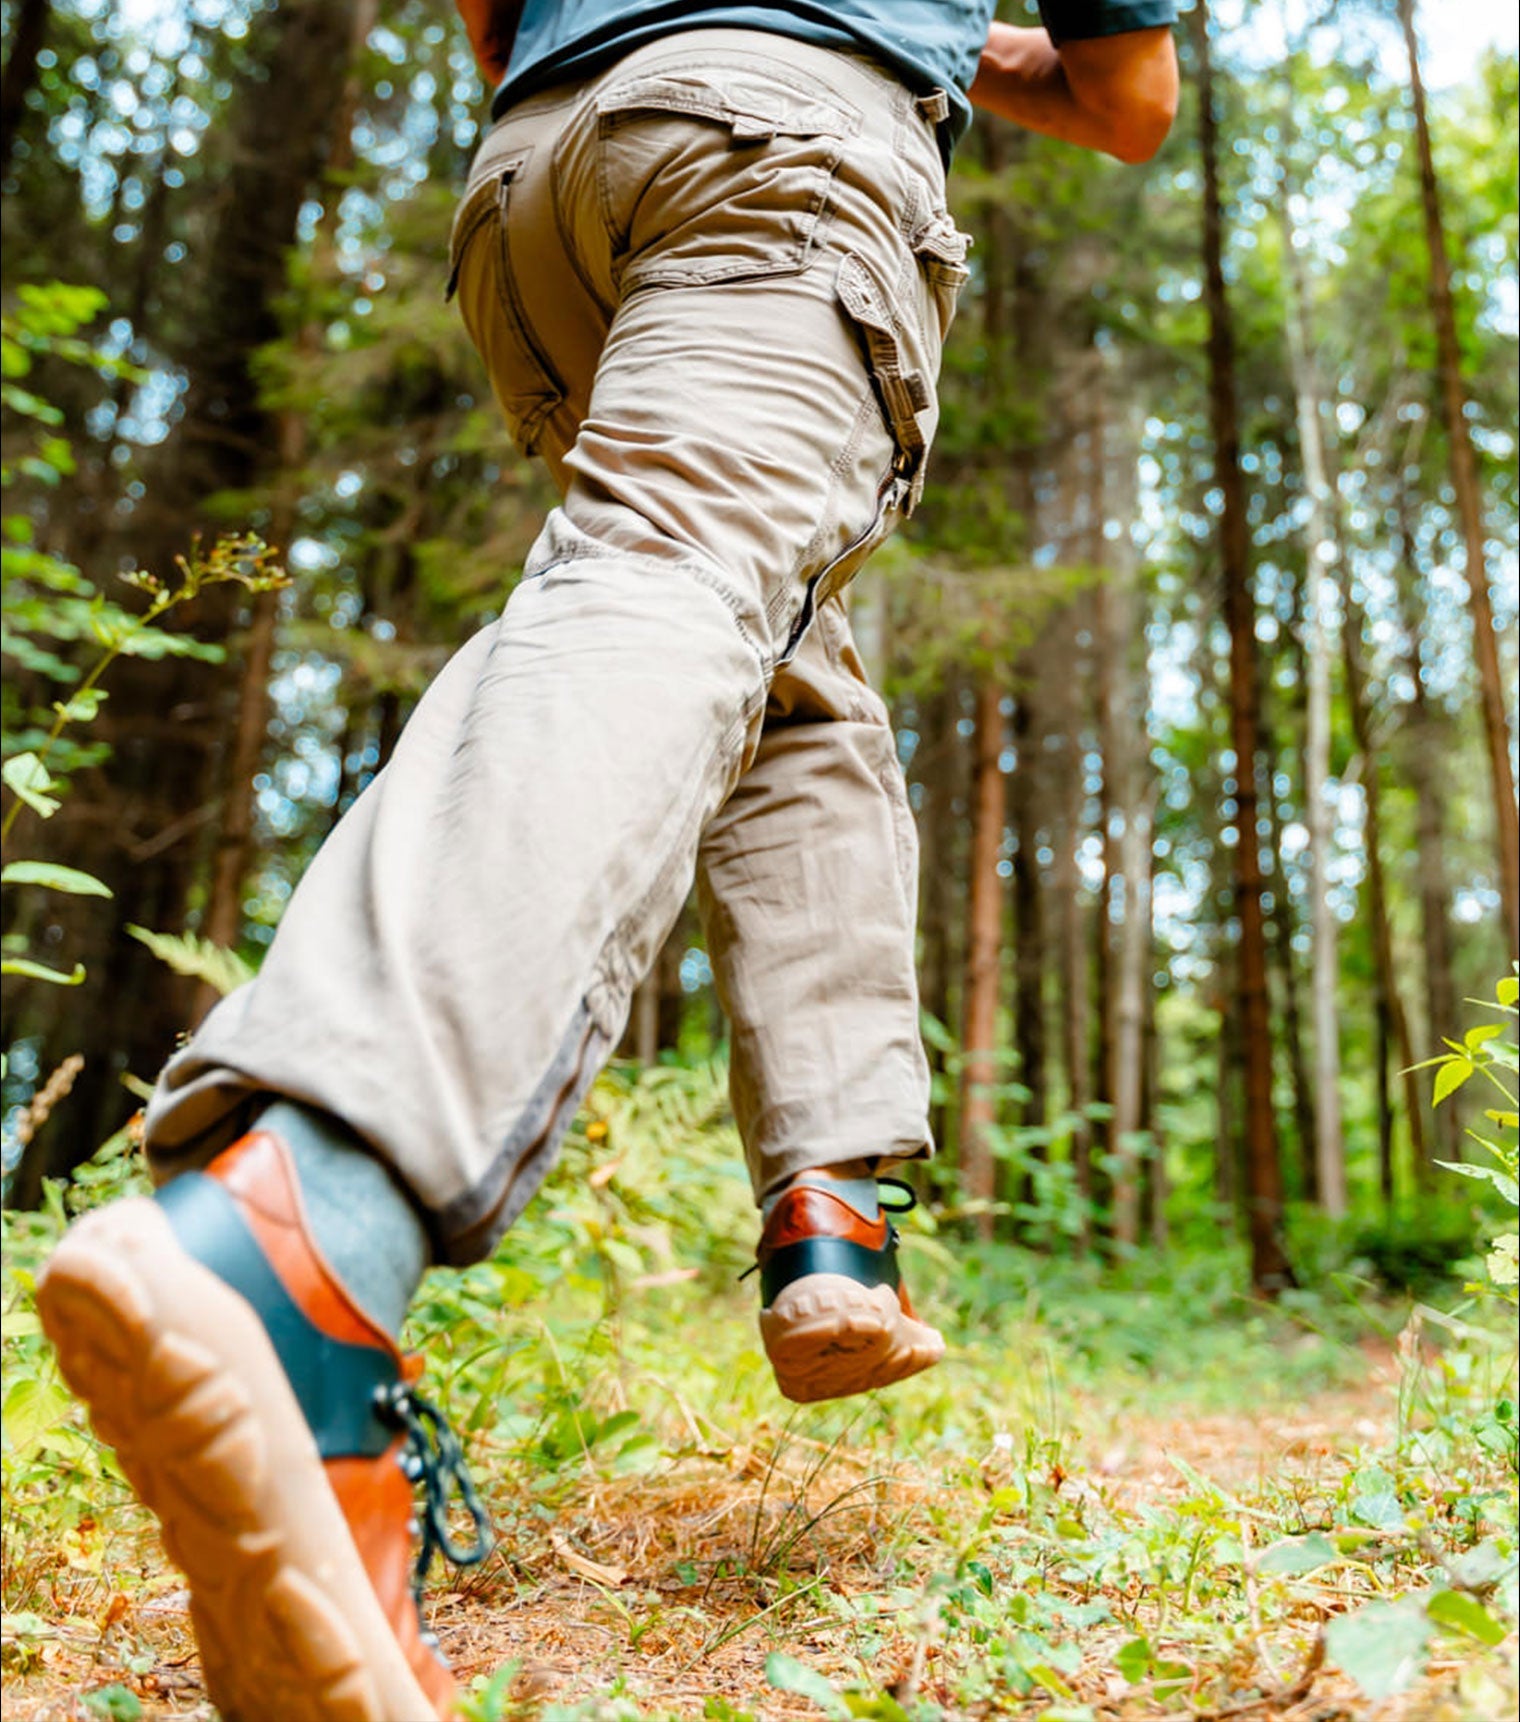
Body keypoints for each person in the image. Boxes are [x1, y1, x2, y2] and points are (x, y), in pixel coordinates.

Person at [37, 3, 1177, 1717]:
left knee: (772, 650)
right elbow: (1128, 97)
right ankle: (306, 1223)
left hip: (538, 178)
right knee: (679, 572)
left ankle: (833, 1211)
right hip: (781, 135)